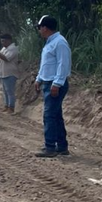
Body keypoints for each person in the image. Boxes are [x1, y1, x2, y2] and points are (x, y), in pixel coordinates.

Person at [33, 15, 72, 158]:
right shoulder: (50, 43)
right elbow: (45, 65)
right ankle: (61, 146)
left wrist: (57, 83)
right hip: (48, 82)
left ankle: (50, 147)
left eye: (39, 27)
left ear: (45, 27)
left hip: (55, 84)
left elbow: (63, 64)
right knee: (55, 116)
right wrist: (39, 79)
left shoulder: (60, 43)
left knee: (49, 116)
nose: (39, 31)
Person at [0, 33, 19, 113]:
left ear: (9, 40)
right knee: (5, 91)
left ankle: (11, 107)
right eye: (2, 41)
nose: (2, 43)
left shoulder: (13, 49)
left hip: (10, 73)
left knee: (10, 92)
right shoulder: (4, 49)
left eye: (4, 41)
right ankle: (6, 106)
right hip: (3, 73)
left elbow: (7, 58)